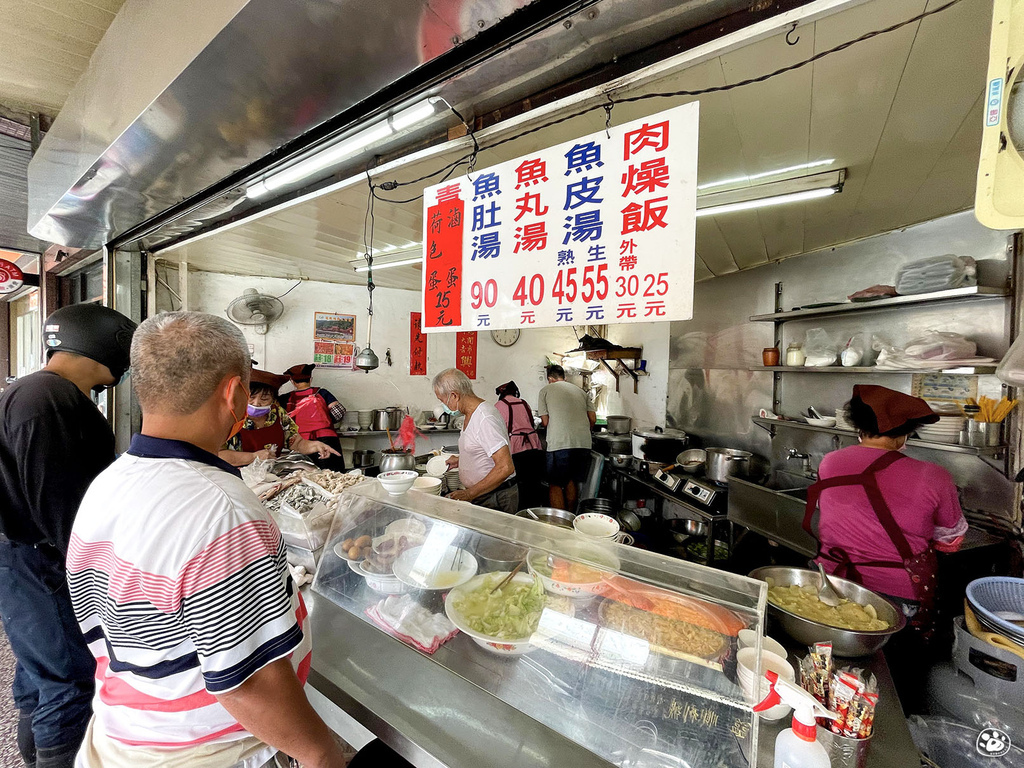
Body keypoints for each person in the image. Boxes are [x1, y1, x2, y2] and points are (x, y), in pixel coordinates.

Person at [66, 312, 349, 768]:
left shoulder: (110, 483)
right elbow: (248, 681)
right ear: (234, 392)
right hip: (210, 750)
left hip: (128, 730)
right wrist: (321, 754)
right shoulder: (223, 510)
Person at [0, 303, 136, 768]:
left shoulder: (36, 392)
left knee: (40, 675)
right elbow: (56, 499)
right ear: (110, 344)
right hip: (42, 563)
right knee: (70, 682)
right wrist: (101, 571)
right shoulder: (49, 397)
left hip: (27, 558)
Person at [803, 384, 967, 711]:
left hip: (830, 585)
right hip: (896, 602)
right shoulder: (935, 476)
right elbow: (951, 541)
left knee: (828, 670)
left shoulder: (831, 462)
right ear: (905, 433)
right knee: (891, 678)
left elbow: (837, 510)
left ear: (859, 427)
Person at [432, 368, 518, 514]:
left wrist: (468, 494)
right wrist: (461, 460)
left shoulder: (484, 418)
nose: (444, 407)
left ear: (454, 396)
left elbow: (505, 467)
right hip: (483, 495)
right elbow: (483, 449)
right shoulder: (470, 414)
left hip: (495, 497)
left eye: (442, 400)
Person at [219, 368, 340, 467]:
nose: (256, 403)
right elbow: (217, 454)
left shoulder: (278, 415)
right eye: (251, 397)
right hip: (234, 477)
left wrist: (315, 446)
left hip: (268, 476)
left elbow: (297, 443)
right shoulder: (229, 417)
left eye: (264, 399)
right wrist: (253, 457)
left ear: (273, 399)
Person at [538, 364, 596, 511]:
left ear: (550, 379)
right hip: (583, 443)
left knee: (555, 484)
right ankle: (570, 519)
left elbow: (545, 422)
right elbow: (593, 419)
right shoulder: (581, 392)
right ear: (563, 377)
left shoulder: (545, 390)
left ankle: (560, 526)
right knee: (571, 481)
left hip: (560, 443)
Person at [281, 363, 347, 471]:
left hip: (302, 442)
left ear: (292, 382)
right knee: (334, 475)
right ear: (310, 379)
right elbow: (339, 412)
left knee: (307, 475)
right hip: (327, 439)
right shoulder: (321, 392)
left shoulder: (285, 398)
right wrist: (328, 421)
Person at [494, 380, 544, 509]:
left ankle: (521, 511)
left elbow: (498, 429)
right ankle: (534, 510)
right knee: (533, 482)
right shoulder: (524, 403)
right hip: (533, 446)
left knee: (519, 483)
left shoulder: (500, 405)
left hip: (516, 449)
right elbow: (531, 422)